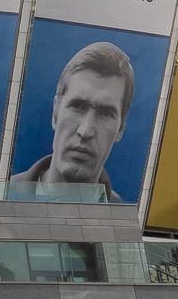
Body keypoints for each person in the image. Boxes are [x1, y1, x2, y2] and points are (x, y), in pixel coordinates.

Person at [11, 41, 134, 201]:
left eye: (105, 113)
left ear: (121, 128)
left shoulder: (122, 222)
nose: (86, 130)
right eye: (77, 106)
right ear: (55, 113)